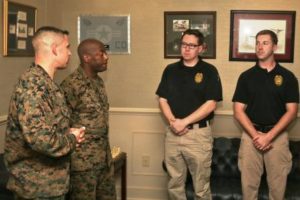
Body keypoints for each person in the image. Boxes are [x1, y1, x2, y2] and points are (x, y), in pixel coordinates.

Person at [4, 26, 85, 200]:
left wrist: (67, 132)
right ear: (55, 49)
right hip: (36, 188)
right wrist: (72, 139)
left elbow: (47, 126)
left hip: (50, 184)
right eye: (67, 47)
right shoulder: (34, 86)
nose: (70, 53)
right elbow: (41, 140)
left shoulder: (45, 82)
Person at [156, 29, 222, 199]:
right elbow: (163, 99)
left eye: (192, 45)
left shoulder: (209, 71)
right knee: (174, 184)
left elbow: (211, 104)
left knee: (201, 187)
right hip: (173, 133)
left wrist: (183, 122)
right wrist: (173, 122)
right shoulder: (170, 70)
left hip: (198, 136)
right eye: (184, 44)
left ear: (201, 48)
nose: (186, 48)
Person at [232, 29, 299, 200]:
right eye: (257, 43)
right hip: (250, 135)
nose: (259, 47)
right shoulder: (246, 77)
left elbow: (292, 112)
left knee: (277, 189)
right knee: (248, 188)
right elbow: (238, 110)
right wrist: (256, 136)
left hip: (277, 137)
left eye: (265, 43)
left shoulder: (288, 77)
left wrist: (269, 136)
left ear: (275, 47)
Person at [60, 38, 116, 200]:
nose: (106, 57)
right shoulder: (71, 85)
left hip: (103, 159)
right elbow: (62, 125)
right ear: (87, 58)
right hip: (82, 164)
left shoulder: (98, 82)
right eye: (101, 54)